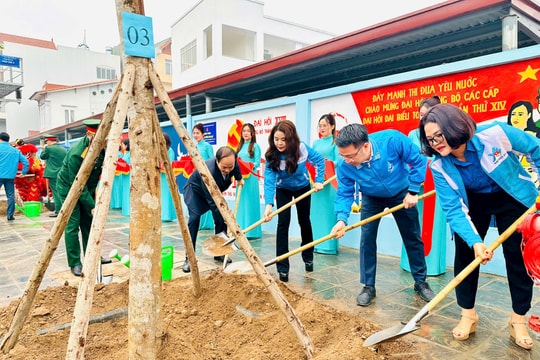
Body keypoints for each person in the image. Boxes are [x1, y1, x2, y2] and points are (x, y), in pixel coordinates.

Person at [418, 103, 538, 349]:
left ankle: (518, 318)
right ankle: (468, 314)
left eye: (439, 135)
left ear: (455, 126)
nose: (435, 143)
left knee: (517, 256)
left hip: (513, 196)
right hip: (473, 201)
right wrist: (475, 242)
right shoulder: (439, 165)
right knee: (466, 255)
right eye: (430, 139)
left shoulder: (494, 133)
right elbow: (453, 209)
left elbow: (535, 148)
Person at [330, 123, 435, 306]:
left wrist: (413, 191)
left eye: (350, 156)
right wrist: (341, 219)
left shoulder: (391, 140)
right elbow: (345, 193)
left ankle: (421, 282)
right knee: (367, 238)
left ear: (365, 146)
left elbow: (419, 160)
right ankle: (368, 286)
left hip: (402, 193)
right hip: (371, 197)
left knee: (412, 237)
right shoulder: (344, 164)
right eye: (342, 155)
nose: (346, 160)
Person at [263, 120, 325, 282]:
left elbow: (319, 160)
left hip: (302, 187)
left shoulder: (302, 148)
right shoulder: (271, 155)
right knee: (283, 224)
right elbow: (269, 181)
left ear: (290, 138)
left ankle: (308, 256)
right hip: (283, 189)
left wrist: (318, 180)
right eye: (276, 139)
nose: (280, 143)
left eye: (283, 139)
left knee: (304, 221)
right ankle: (282, 267)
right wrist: (269, 204)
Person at [56, 119, 111, 277]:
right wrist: (92, 205)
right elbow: (78, 184)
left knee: (89, 223)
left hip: (88, 188)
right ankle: (75, 263)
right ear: (89, 135)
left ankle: (92, 256)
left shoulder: (104, 148)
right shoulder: (76, 154)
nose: (103, 142)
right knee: (73, 225)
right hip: (70, 188)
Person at [182, 146, 244, 273]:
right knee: (194, 220)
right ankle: (189, 258)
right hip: (196, 192)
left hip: (214, 192)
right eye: (224, 167)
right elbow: (213, 202)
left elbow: (236, 167)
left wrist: (239, 178)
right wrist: (226, 219)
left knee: (220, 221)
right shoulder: (208, 172)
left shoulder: (231, 162)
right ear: (217, 161)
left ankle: (219, 252)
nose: (227, 170)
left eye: (230, 167)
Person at [311, 114, 339, 254]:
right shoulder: (316, 143)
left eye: (325, 125)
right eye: (320, 126)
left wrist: (328, 164)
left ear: (332, 126)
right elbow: (311, 159)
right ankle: (316, 242)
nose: (322, 128)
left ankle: (328, 246)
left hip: (329, 182)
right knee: (316, 213)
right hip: (316, 182)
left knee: (328, 213)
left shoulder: (335, 142)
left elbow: (339, 161)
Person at [235, 123, 262, 239]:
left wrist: (248, 165)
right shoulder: (239, 147)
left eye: (248, 131)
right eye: (244, 131)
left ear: (252, 133)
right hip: (240, 179)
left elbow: (257, 163)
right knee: (240, 203)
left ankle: (252, 231)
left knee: (250, 204)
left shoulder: (255, 146)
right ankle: (241, 229)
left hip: (250, 178)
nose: (245, 133)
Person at [0, 132, 29, 221]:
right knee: (10, 196)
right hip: (10, 176)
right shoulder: (16, 151)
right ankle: (10, 215)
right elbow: (26, 162)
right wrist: (23, 173)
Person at [192, 123, 214, 230]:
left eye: (198, 133)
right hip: (196, 175)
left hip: (206, 175)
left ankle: (206, 224)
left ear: (203, 134)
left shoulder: (207, 146)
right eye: (194, 133)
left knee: (206, 198)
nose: (196, 135)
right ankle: (199, 223)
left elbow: (212, 160)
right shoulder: (193, 146)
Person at [40, 134, 67, 217]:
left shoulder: (49, 148)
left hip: (53, 174)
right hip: (62, 173)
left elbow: (42, 156)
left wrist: (44, 149)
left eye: (47, 141)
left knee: (56, 193)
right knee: (62, 191)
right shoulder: (63, 149)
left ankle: (58, 211)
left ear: (49, 141)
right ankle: (64, 209)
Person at [161, 133, 177, 222]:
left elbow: (169, 164)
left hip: (167, 176)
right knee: (162, 195)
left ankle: (167, 215)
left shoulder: (170, 150)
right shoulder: (158, 150)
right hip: (160, 176)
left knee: (167, 196)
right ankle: (162, 214)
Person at [120, 138, 131, 217]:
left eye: (123, 144)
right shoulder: (125, 154)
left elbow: (130, 165)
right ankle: (126, 210)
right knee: (125, 192)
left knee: (128, 192)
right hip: (124, 176)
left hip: (129, 175)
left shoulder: (130, 154)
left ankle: (129, 210)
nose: (122, 146)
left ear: (127, 145)